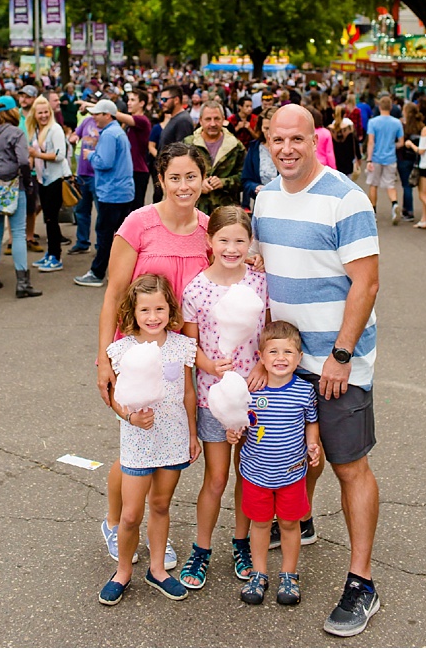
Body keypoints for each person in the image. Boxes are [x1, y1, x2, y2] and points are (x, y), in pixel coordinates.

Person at [253, 105, 382, 638]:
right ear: (266, 140)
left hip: (337, 359)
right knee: (296, 450)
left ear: (315, 140)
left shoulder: (346, 198)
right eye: (277, 139)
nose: (287, 148)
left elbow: (366, 283)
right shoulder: (263, 196)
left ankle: (362, 583)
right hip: (284, 360)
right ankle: (299, 517)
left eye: (297, 139)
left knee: (348, 462)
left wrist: (342, 356)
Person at [93, 142, 212, 575]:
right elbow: (113, 295)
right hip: (136, 351)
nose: (183, 185)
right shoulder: (138, 224)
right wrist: (106, 359)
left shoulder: (207, 230)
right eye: (174, 177)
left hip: (180, 352)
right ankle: (115, 521)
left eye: (191, 176)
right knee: (134, 444)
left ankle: (155, 539)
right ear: (160, 179)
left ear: (204, 179)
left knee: (166, 441)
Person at [177, 206, 269, 592]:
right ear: (209, 241)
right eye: (224, 240)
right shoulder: (197, 288)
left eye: (239, 240)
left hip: (255, 395)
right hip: (214, 397)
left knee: (249, 476)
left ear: (250, 243)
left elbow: (267, 331)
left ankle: (242, 542)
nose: (231, 248)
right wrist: (209, 366)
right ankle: (201, 548)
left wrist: (264, 364)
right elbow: (188, 344)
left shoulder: (259, 282)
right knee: (216, 478)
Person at [97, 273, 198, 606]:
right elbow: (114, 396)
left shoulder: (181, 345)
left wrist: (192, 434)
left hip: (173, 437)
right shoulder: (123, 349)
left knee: (161, 505)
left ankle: (157, 570)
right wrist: (129, 417)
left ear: (170, 309)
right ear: (133, 313)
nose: (153, 317)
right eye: (145, 310)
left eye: (160, 309)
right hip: (138, 442)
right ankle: (122, 572)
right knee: (129, 514)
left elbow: (188, 393)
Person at [227, 321, 323, 606]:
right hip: (255, 474)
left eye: (288, 352)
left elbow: (311, 424)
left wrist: (313, 445)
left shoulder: (304, 391)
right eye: (274, 351)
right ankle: (259, 574)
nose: (281, 358)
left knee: (290, 525)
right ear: (261, 357)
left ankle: (289, 575)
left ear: (300, 357)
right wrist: (233, 432)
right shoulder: (251, 391)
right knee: (259, 525)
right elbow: (239, 425)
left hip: (292, 474)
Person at [0, 96, 40, 297]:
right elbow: (23, 160)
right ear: (13, 111)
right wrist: (28, 183)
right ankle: (23, 283)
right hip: (15, 187)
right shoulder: (16, 133)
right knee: (19, 232)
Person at [72, 99, 135, 288]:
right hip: (123, 191)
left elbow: (104, 162)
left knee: (105, 235)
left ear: (108, 115)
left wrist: (90, 155)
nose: (93, 117)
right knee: (123, 236)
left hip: (112, 192)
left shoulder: (109, 134)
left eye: (97, 114)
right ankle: (125, 273)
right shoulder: (118, 132)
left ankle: (97, 272)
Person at [27, 94, 68, 273]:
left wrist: (37, 155)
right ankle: (50, 253)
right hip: (42, 179)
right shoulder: (36, 130)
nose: (43, 115)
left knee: (52, 219)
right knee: (48, 219)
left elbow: (60, 155)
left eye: (46, 112)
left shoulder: (55, 130)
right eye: (40, 113)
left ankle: (56, 256)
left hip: (55, 179)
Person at [184, 99, 245, 215]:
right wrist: (198, 184)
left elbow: (244, 177)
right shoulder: (188, 145)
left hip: (226, 213)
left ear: (223, 119)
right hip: (194, 211)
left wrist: (224, 182)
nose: (212, 124)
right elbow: (178, 175)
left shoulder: (235, 146)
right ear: (200, 120)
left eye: (217, 119)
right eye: (208, 119)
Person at [363, 94, 403, 225]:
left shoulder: (373, 122)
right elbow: (401, 142)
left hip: (375, 157)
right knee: (390, 185)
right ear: (391, 107)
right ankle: (394, 204)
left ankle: (373, 212)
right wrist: (393, 146)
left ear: (379, 107)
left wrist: (369, 159)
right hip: (390, 157)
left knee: (373, 185)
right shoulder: (397, 123)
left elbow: (371, 142)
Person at [66, 100, 100, 254]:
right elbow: (76, 133)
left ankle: (102, 245)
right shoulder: (86, 121)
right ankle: (82, 242)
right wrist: (72, 138)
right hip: (83, 172)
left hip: (98, 174)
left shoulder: (106, 125)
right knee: (81, 210)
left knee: (101, 212)